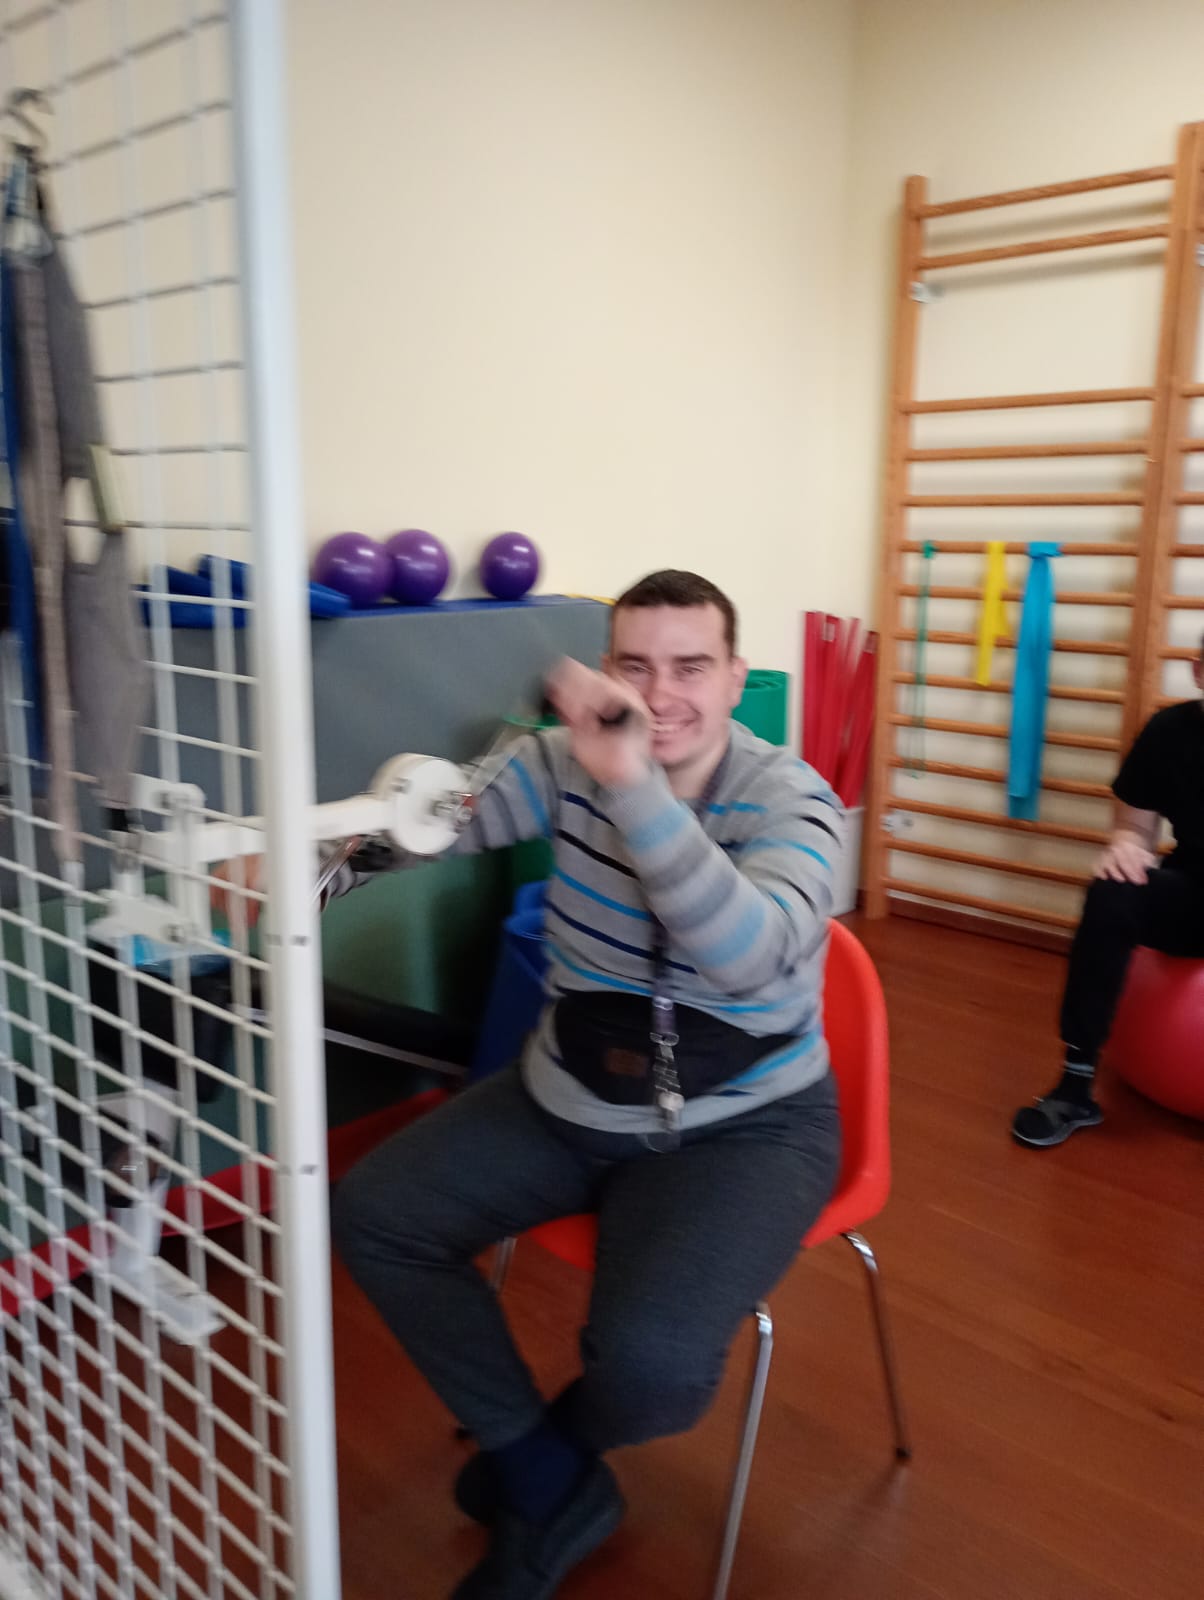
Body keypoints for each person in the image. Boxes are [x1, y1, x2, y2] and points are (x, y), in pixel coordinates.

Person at [326, 570, 845, 1599]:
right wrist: (311, 864)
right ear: (607, 671)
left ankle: (547, 1459)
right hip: (569, 1091)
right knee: (375, 1214)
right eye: (634, 666)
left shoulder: (794, 801)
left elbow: (749, 954)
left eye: (690, 667)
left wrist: (634, 786)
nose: (660, 695)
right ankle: (548, 1478)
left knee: (653, 1368)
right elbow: (437, 820)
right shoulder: (560, 761)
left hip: (749, 1124)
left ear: (735, 677)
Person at [1011, 636, 1204, 1149]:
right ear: (1198, 671)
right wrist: (1126, 846)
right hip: (1193, 892)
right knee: (1112, 890)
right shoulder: (1169, 731)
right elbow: (1135, 827)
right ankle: (1075, 1086)